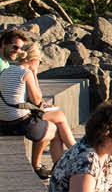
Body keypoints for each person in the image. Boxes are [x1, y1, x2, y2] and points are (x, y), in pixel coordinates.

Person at [0, 32, 74, 178]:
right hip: (16, 121)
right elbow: (37, 100)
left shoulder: (6, 69)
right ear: (34, 60)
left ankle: (71, 155)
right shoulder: (24, 72)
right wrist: (33, 73)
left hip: (5, 116)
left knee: (57, 118)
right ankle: (73, 154)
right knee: (54, 128)